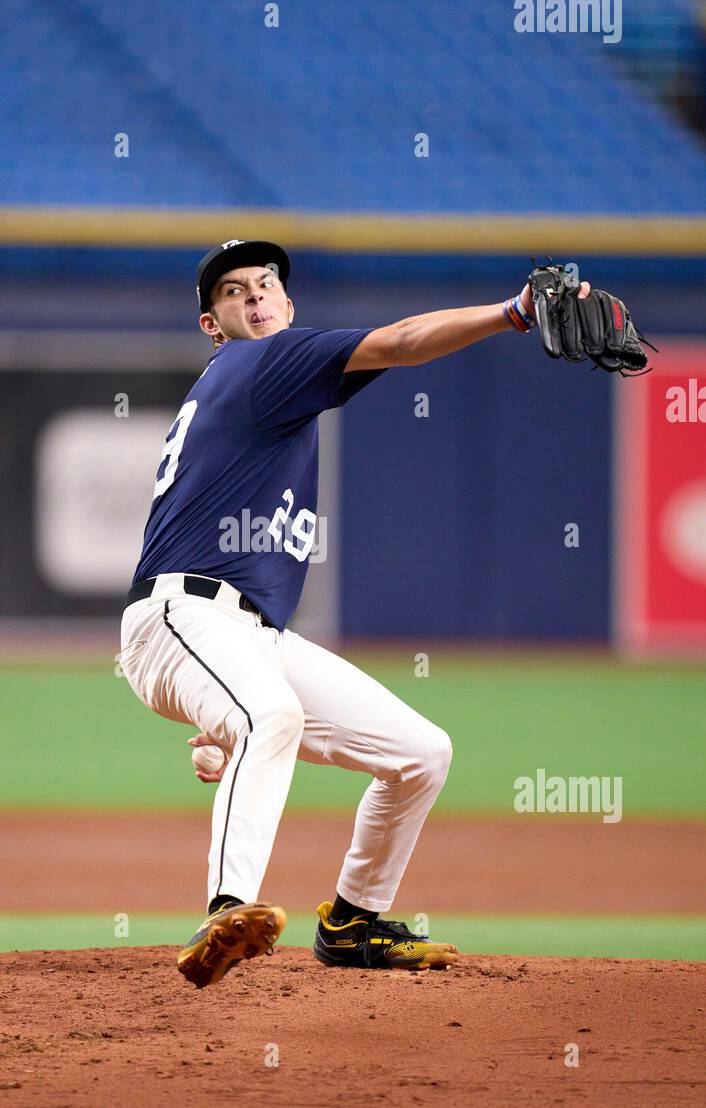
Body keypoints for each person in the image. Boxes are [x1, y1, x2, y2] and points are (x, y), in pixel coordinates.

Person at [118, 238, 589, 988]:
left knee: (421, 753)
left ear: (289, 301)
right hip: (180, 614)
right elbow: (400, 342)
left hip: (242, 631)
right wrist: (516, 311)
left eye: (266, 283)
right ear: (213, 325)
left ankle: (352, 924)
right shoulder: (264, 361)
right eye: (234, 291)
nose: (255, 296)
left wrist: (222, 712)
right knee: (271, 716)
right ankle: (226, 910)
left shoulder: (261, 384)